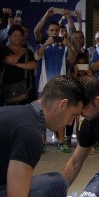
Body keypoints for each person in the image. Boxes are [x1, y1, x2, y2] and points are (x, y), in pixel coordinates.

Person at [34, 20, 69, 150]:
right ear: (47, 32)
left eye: (57, 30)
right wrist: (45, 45)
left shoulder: (64, 46)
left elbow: (71, 60)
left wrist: (69, 46)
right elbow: (37, 57)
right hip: (44, 87)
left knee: (61, 114)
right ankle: (42, 143)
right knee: (42, 114)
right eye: (52, 30)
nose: (54, 32)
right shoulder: (41, 45)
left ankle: (61, 142)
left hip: (61, 87)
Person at [0, 25, 37, 106]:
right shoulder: (4, 50)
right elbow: (11, 60)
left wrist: (16, 64)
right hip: (11, 89)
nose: (17, 37)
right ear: (9, 36)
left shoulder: (28, 51)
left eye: (20, 35)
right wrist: (20, 52)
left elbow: (33, 65)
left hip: (27, 89)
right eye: (15, 35)